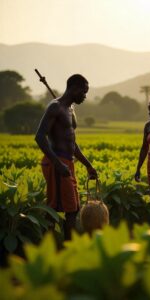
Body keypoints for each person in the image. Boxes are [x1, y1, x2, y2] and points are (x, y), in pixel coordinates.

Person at [35, 74, 97, 240]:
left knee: (72, 207)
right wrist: (57, 163)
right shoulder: (55, 107)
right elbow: (40, 136)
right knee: (62, 209)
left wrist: (88, 165)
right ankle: (59, 248)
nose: (85, 96)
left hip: (67, 162)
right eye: (83, 92)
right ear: (74, 88)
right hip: (57, 162)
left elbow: (72, 144)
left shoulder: (69, 109)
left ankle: (62, 246)